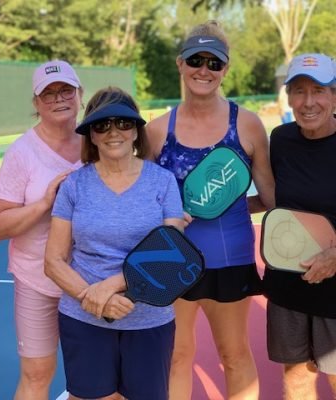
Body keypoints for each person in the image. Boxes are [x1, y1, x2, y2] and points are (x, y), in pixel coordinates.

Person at [146, 20, 275, 400]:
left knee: (234, 356)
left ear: (226, 69)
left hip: (230, 258)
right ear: (180, 64)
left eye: (214, 63)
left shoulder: (248, 126)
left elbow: (269, 198)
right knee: (176, 356)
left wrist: (228, 208)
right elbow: (146, 201)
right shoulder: (156, 131)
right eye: (196, 60)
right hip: (173, 260)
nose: (204, 70)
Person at [44, 86, 185, 400]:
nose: (113, 132)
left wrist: (109, 287)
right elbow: (53, 261)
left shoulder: (162, 181)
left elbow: (173, 256)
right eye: (101, 125)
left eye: (123, 123)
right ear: (91, 136)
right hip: (84, 317)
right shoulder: (74, 186)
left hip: (150, 320)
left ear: (136, 131)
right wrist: (92, 298)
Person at [0, 60, 83, 400]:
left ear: (79, 94)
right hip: (37, 280)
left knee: (93, 375)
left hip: (91, 279)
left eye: (65, 90)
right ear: (36, 103)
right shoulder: (22, 152)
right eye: (48, 93)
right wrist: (45, 202)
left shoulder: (98, 142)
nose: (58, 99)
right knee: (37, 374)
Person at [263, 53, 336, 399]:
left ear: (335, 96)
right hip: (288, 281)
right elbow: (272, 197)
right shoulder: (280, 139)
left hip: (335, 283)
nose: (308, 102)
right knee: (296, 375)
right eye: (299, 91)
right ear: (288, 97)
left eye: (319, 90)